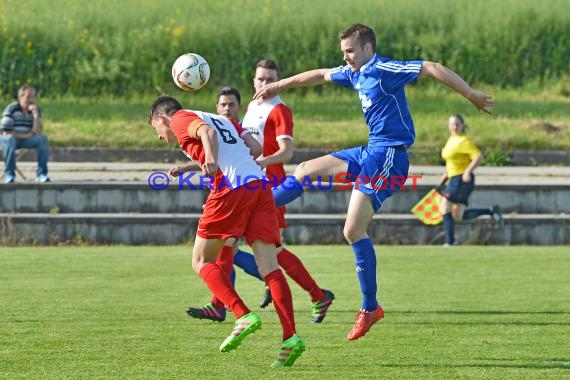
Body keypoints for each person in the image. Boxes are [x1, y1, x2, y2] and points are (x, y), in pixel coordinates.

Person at [253, 23, 494, 341]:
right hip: (369, 150)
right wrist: (277, 86)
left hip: (390, 155)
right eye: (343, 52)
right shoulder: (353, 73)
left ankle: (370, 309)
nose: (346, 57)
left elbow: (432, 67)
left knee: (352, 230)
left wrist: (470, 94)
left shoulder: (384, 68)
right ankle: (256, 204)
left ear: (368, 48)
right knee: (305, 170)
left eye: (350, 51)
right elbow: (321, 74)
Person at [148, 95, 305, 367]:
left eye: (155, 129)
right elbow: (254, 148)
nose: (160, 136)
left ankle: (241, 314)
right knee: (269, 266)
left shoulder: (179, 118)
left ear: (162, 118)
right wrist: (194, 164)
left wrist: (210, 157)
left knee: (201, 261)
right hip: (258, 186)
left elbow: (205, 133)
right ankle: (290, 337)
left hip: (231, 189)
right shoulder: (223, 118)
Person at [178, 82, 335, 323]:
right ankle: (223, 302)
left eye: (268, 78)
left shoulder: (277, 109)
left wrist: (260, 163)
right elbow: (222, 156)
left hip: (263, 187)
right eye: (223, 104)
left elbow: (286, 152)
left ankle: (311, 293)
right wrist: (188, 167)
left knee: (261, 252)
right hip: (241, 189)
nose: (227, 108)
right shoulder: (238, 118)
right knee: (231, 247)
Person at [439, 114, 504, 246]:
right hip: (453, 178)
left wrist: (468, 171)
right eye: (452, 124)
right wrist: (446, 174)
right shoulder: (452, 139)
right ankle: (491, 211)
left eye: (457, 124)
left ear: (463, 125)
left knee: (445, 205)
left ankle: (450, 242)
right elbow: (454, 160)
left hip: (461, 179)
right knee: (458, 216)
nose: (455, 127)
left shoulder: (464, 141)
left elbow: (478, 157)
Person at [1, 84, 49, 183]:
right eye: (28, 97)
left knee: (42, 139)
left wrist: (35, 116)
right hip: (6, 140)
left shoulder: (36, 110)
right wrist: (25, 135)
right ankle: (9, 175)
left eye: (33, 97)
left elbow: (38, 132)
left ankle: (41, 174)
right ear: (21, 97)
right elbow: (6, 132)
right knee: (10, 140)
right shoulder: (12, 109)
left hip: (24, 140)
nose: (31, 100)